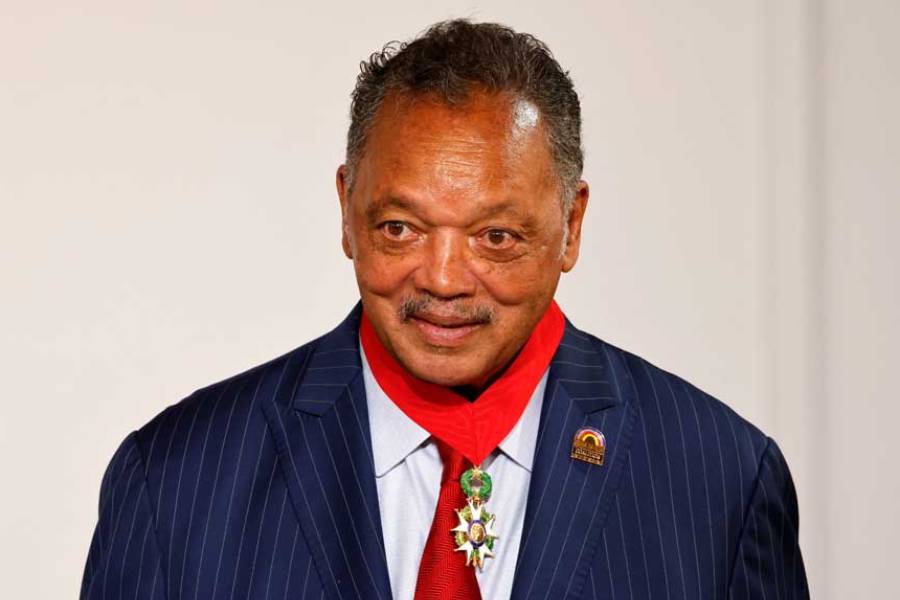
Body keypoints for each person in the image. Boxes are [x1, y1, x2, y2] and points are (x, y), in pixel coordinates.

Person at [80, 19, 809, 600]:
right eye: (400, 228)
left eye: (496, 237)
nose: (443, 279)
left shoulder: (721, 481)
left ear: (571, 226)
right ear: (345, 208)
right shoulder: (175, 481)